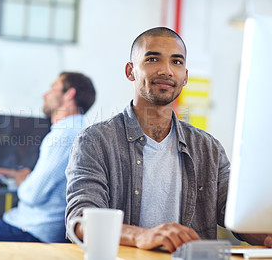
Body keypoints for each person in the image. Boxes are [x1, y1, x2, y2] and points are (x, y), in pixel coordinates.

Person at [65, 27, 272, 252]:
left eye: (176, 62)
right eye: (153, 59)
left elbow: (236, 215)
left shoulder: (208, 148)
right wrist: (142, 236)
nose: (166, 70)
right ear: (130, 71)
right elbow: (80, 221)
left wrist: (264, 233)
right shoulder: (96, 141)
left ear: (185, 77)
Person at [0, 72, 96, 243]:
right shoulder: (80, 130)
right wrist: (16, 174)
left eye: (53, 88)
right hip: (39, 226)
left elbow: (33, 195)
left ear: (70, 94)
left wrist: (22, 179)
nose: (44, 95)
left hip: (32, 229)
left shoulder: (64, 136)